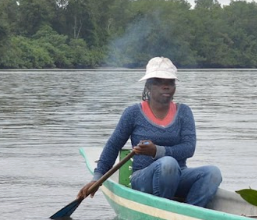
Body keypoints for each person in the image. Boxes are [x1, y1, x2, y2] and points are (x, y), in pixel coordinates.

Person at [76, 57, 223, 208]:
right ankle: (164, 209)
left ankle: (192, 212)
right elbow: (113, 146)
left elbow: (188, 148)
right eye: (159, 82)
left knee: (212, 172)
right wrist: (97, 178)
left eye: (170, 82)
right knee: (168, 164)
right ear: (148, 86)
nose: (165, 87)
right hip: (143, 178)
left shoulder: (184, 112)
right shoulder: (133, 113)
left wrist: (156, 151)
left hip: (178, 174)